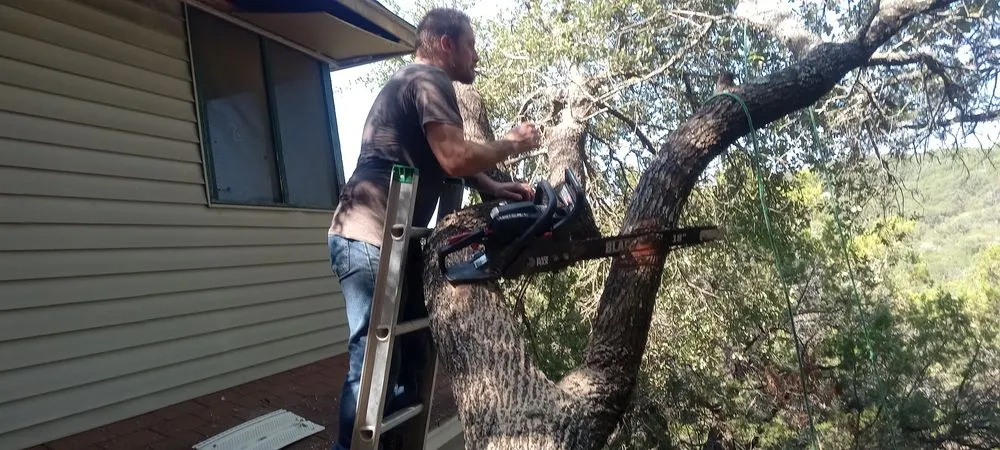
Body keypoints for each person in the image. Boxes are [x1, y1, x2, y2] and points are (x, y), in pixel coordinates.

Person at [327, 7, 542, 449]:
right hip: (370, 239)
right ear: (446, 44)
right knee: (370, 371)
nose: (476, 57)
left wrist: (491, 186)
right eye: (471, 46)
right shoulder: (430, 81)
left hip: (391, 241)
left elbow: (439, 160)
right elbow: (453, 157)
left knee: (413, 360)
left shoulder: (414, 81)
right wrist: (512, 143)